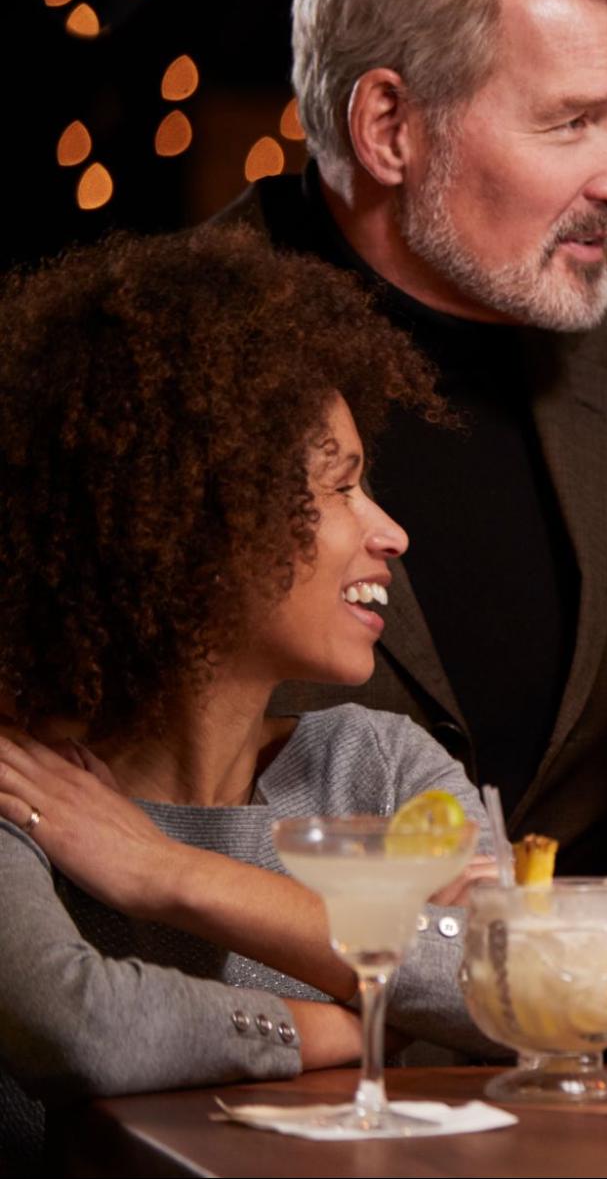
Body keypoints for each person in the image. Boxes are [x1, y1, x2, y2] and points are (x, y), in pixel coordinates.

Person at [216, 0, 607, 881]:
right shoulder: (151, 368)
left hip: (589, 1030)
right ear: (390, 126)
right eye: (573, 120)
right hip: (277, 1031)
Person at [0, 228, 498, 1161]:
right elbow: (88, 1028)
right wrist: (358, 1020)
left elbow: (513, 985)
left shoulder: (379, 766)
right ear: (197, 520)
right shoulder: (22, 786)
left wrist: (166, 872)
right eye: (342, 486)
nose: (389, 532)